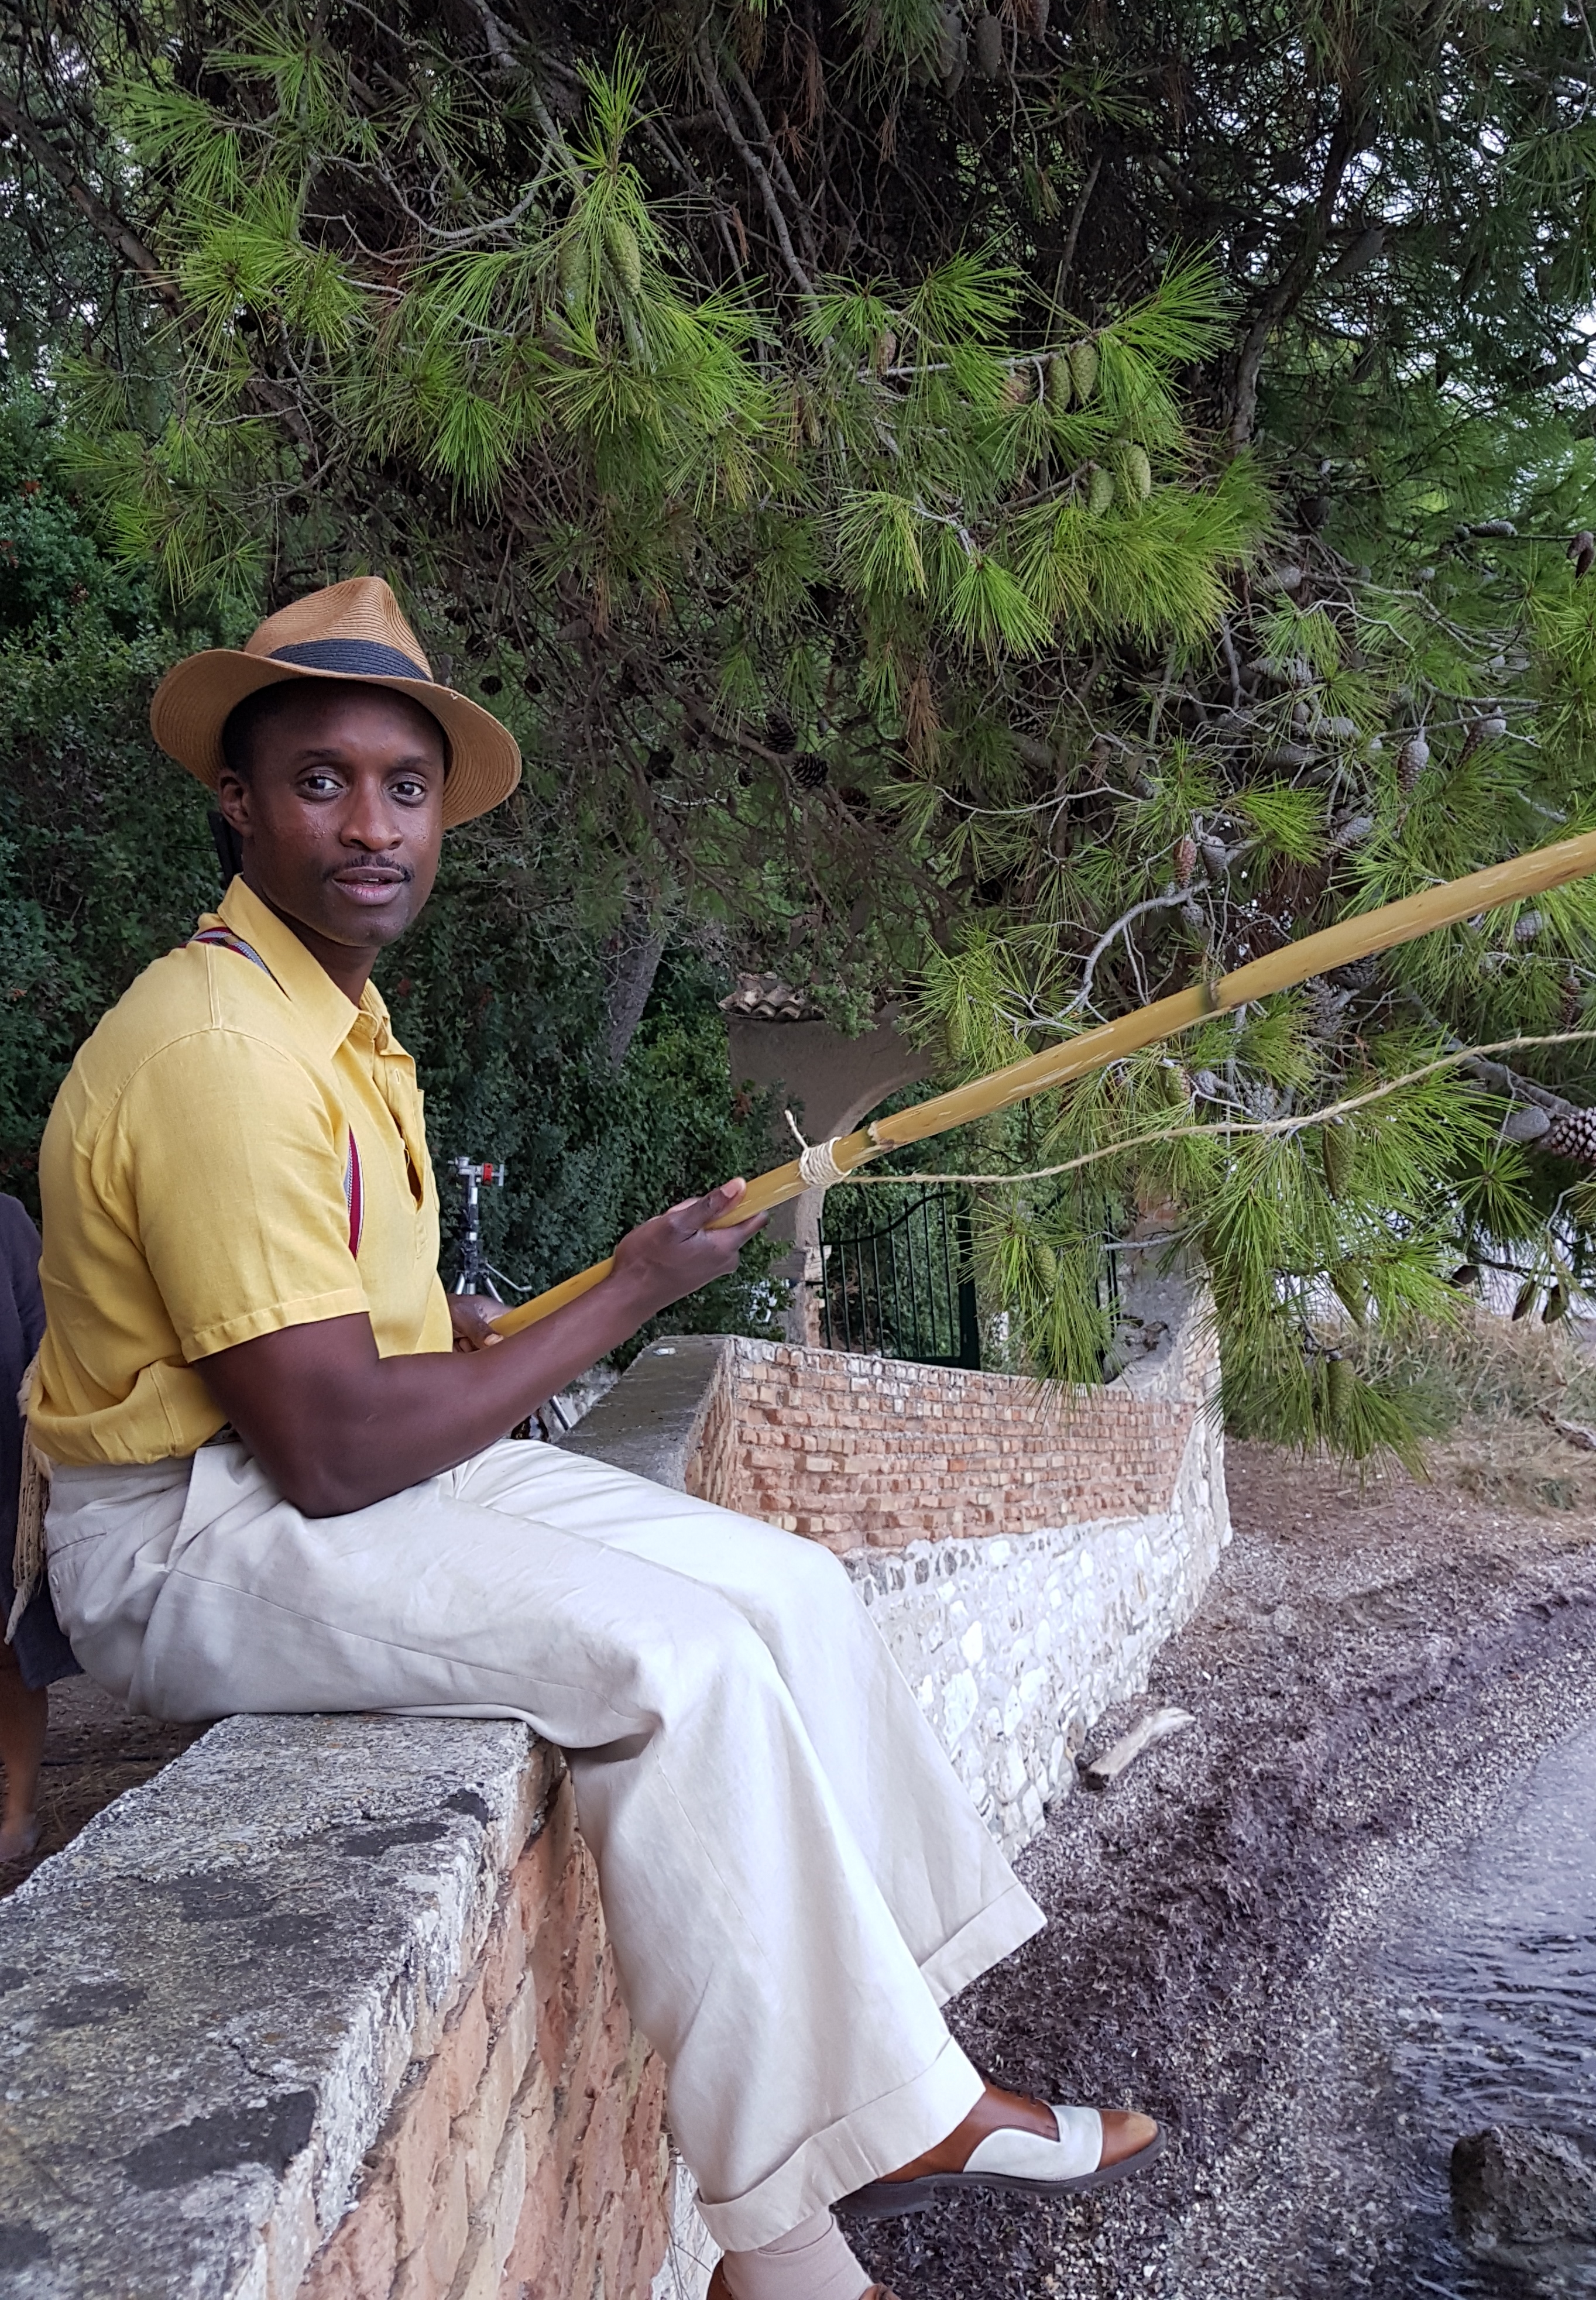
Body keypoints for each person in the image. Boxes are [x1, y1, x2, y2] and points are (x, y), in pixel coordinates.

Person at [26, 578, 1161, 2300]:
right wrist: (623, 1295)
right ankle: (826, 2205)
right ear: (236, 804)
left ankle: (905, 2071)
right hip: (196, 1529)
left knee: (789, 1589)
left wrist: (472, 1327)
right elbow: (330, 1446)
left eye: (405, 788)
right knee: (681, 1659)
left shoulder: (340, 1024)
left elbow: (355, 1346)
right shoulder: (211, 1045)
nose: (370, 823)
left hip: (320, 1464)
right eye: (319, 780)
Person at [0, 1194, 80, 1861]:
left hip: (1, 1467)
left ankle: (18, 1810)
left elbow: (42, 1347)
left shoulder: (4, 1223)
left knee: (7, 1654)